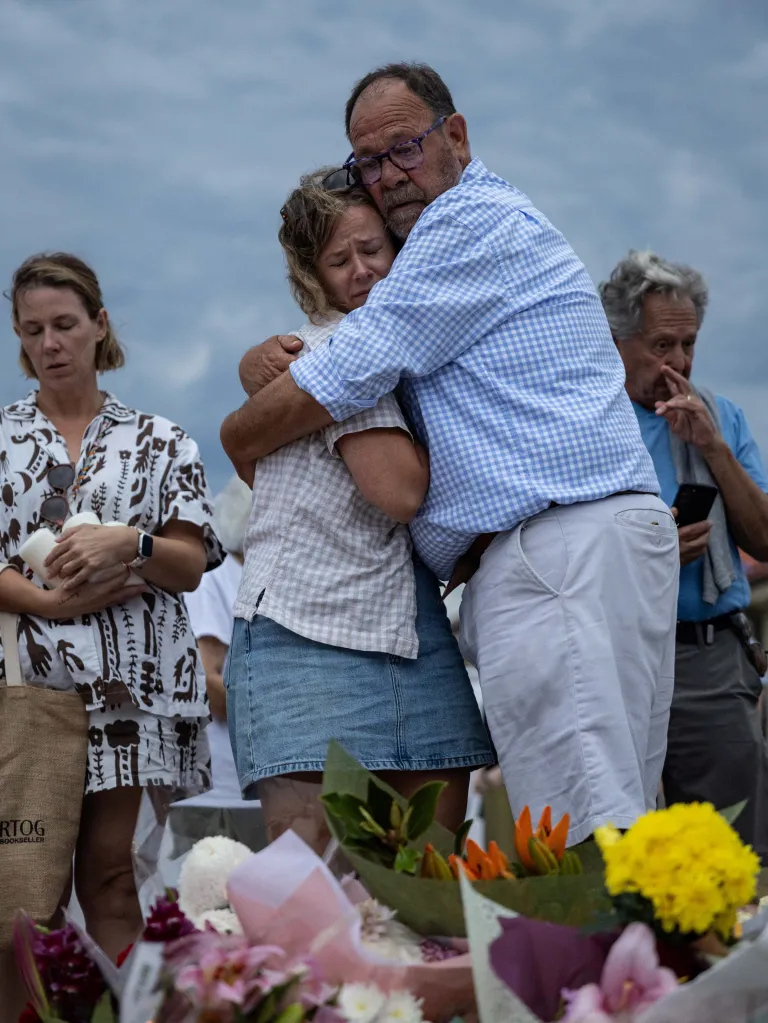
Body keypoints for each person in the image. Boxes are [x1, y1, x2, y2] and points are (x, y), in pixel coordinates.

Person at [221, 63, 680, 847]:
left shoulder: (461, 225)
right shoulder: (478, 229)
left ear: (456, 135)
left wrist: (239, 429)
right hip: (574, 545)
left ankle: (597, 972)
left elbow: (346, 368)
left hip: (556, 550)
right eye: (369, 161)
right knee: (616, 817)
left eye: (403, 148)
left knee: (579, 832)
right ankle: (627, 969)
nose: (389, 175)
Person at [223, 170, 493, 853]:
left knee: (422, 877)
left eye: (374, 249)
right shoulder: (340, 351)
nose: (363, 271)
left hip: (405, 619)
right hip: (302, 622)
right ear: (313, 277)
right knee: (314, 882)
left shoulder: (403, 355)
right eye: (339, 261)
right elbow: (398, 489)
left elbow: (248, 453)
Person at [0, 253, 221, 959]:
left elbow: (189, 565)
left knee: (111, 880)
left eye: (65, 325)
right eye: (33, 330)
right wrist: (47, 603)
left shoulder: (162, 441)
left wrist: (129, 540)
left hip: (129, 694)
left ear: (100, 324)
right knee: (22, 897)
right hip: (27, 693)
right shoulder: (1, 438)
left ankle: (141, 1008)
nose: (50, 344)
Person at [601, 249, 768, 859]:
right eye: (662, 346)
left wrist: (714, 450)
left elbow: (765, 541)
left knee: (734, 857)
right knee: (625, 855)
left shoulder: (721, 416)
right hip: (616, 659)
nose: (679, 363)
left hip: (709, 660)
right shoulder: (593, 424)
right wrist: (649, 554)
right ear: (618, 341)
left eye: (689, 344)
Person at [175, 475, 266, 850]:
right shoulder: (218, 576)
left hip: (260, 785)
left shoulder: (256, 577)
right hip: (220, 789)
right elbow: (205, 679)